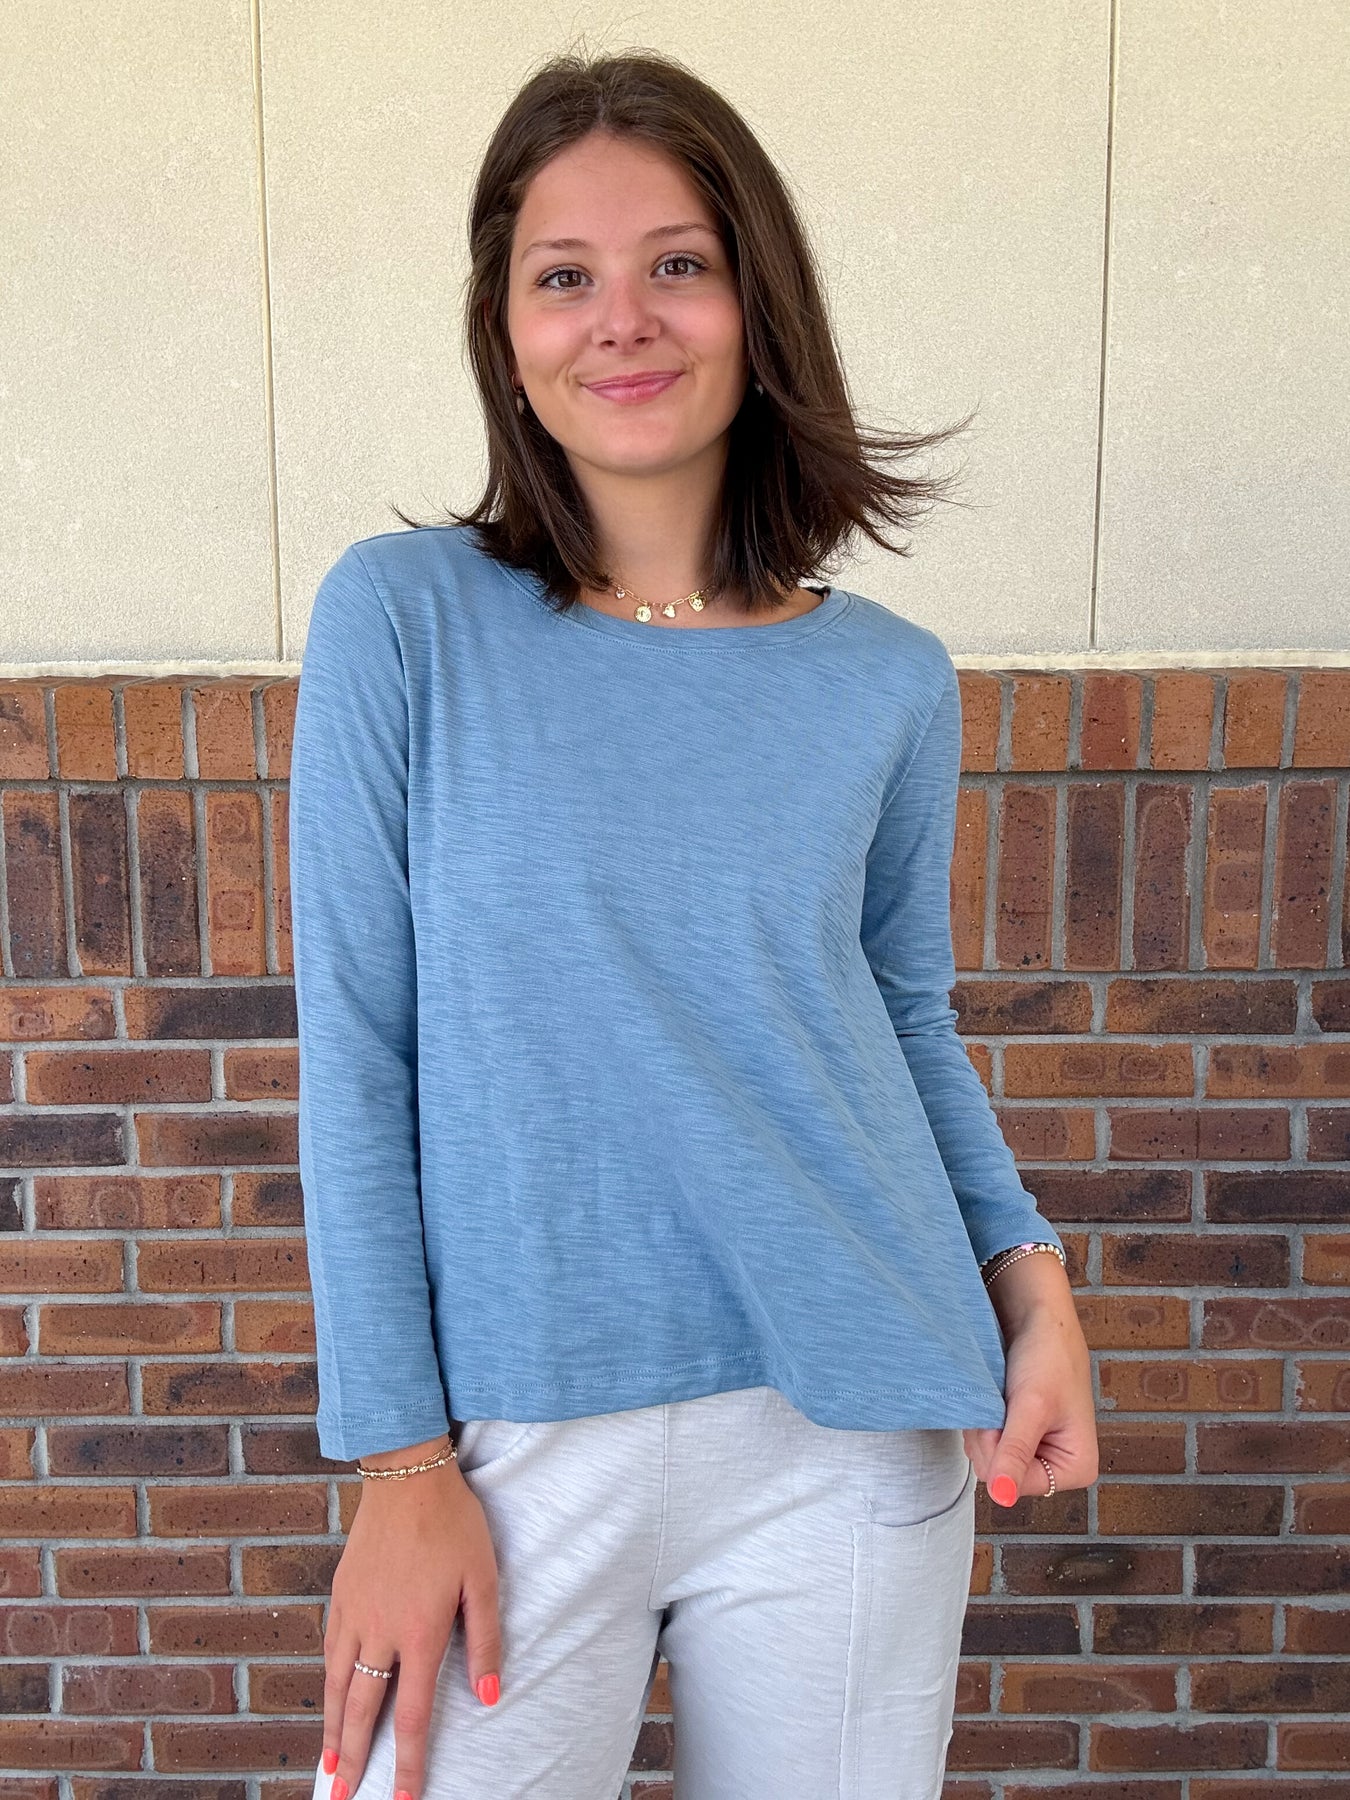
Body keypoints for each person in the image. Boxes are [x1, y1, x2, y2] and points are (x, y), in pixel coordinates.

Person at [289, 46, 1098, 1800]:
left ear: (756, 300)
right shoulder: (403, 621)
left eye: (677, 263)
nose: (622, 320)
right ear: (504, 328)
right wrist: (395, 1467)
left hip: (855, 1421)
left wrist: (1030, 1283)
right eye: (561, 276)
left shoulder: (885, 679)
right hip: (511, 1437)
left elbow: (900, 1020)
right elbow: (357, 1047)